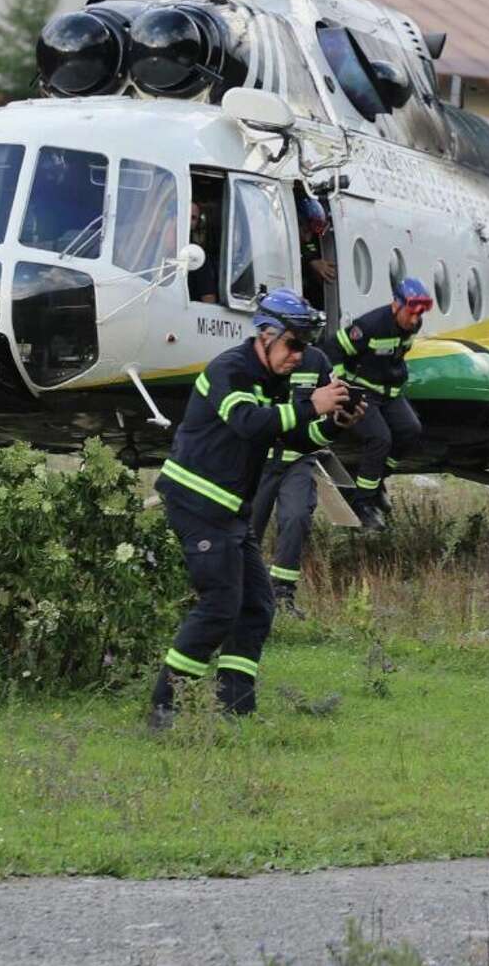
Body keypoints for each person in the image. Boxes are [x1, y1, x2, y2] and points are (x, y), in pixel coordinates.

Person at [150, 290, 347, 728]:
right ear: (265, 334)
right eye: (293, 345)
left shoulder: (269, 380)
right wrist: (311, 406)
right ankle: (166, 706)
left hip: (229, 513)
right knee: (221, 604)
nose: (299, 356)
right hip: (197, 503)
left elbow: (289, 438)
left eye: (305, 347)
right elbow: (249, 423)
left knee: (257, 605)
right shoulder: (231, 370)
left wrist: (332, 423)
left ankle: (234, 709)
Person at [249, 335, 366, 616]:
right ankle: (243, 594)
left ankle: (282, 595)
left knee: (296, 517)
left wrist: (343, 415)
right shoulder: (253, 361)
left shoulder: (316, 360)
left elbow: (335, 396)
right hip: (257, 462)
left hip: (299, 460)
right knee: (247, 531)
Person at [327, 277, 431, 530]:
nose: (415, 320)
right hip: (362, 390)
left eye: (419, 315)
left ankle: (376, 479)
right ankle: (363, 504)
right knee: (380, 438)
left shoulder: (413, 325)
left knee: (410, 431)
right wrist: (342, 387)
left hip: (389, 393)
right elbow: (332, 348)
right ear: (396, 305)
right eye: (411, 313)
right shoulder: (369, 326)